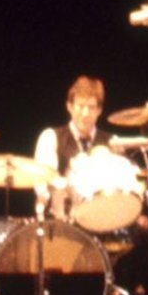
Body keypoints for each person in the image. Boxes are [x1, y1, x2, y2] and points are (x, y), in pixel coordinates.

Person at [32, 75, 108, 220]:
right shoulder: (51, 137)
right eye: (80, 106)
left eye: (91, 107)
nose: (85, 113)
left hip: (101, 222)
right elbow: (43, 180)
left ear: (99, 110)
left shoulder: (111, 142)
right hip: (62, 224)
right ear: (69, 106)